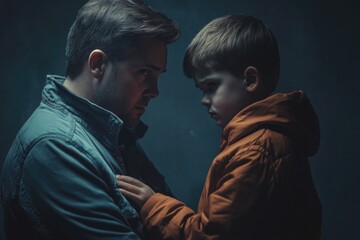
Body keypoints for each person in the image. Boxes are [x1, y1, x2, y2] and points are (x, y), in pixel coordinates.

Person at [117, 14, 322, 239]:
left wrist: (152, 205)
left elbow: (209, 235)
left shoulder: (257, 152)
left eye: (212, 86)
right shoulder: (260, 143)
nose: (204, 100)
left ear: (251, 80)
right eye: (201, 89)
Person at [0, 0, 180, 239]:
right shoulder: (56, 147)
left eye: (157, 75)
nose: (154, 91)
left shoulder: (112, 133)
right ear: (97, 64)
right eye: (144, 73)